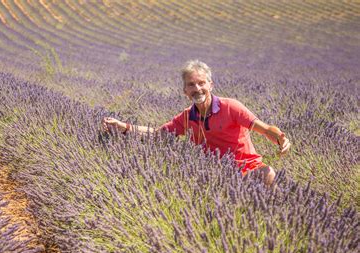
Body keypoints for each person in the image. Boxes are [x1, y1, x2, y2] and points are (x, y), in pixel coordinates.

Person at [103, 60, 291, 185]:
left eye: (201, 83)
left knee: (269, 174)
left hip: (248, 170)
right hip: (214, 176)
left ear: (211, 85)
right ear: (185, 91)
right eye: (191, 85)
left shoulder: (231, 107)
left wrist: (280, 138)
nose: (197, 88)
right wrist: (124, 127)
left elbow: (265, 129)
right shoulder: (187, 117)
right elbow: (157, 135)